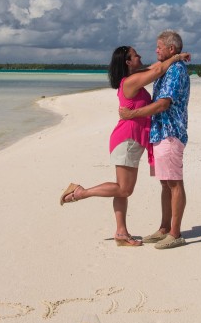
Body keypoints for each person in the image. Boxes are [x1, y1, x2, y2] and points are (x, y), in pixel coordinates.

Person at [60, 44, 190, 246]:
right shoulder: (130, 81)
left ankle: (121, 233)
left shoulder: (136, 76)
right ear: (128, 62)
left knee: (121, 188)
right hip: (128, 139)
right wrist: (176, 58)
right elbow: (158, 70)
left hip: (134, 139)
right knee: (124, 189)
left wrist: (177, 56)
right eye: (135, 55)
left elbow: (157, 66)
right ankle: (80, 192)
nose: (140, 56)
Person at [118, 30, 190, 249]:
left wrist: (132, 115)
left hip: (170, 131)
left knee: (174, 183)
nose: (155, 50)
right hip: (159, 131)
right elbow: (152, 70)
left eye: (159, 47)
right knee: (165, 183)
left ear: (170, 48)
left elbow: (163, 104)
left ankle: (175, 233)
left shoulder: (175, 70)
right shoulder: (167, 67)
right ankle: (164, 229)